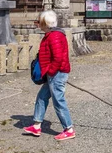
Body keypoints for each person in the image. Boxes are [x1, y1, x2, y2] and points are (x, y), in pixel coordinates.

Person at [23, 10, 75, 141]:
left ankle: (69, 129)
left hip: (57, 73)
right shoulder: (52, 34)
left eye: (40, 22)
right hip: (54, 73)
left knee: (58, 101)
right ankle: (36, 125)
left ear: (45, 23)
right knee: (41, 97)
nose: (38, 24)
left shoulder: (54, 36)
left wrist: (50, 72)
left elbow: (57, 58)